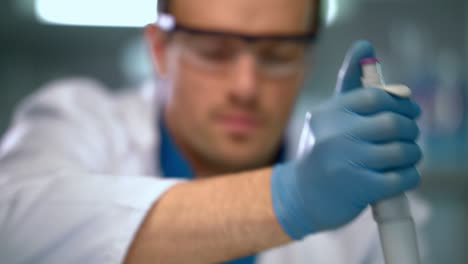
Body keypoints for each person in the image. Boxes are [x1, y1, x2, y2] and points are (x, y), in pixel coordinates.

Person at [0, 0, 429, 263]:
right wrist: (289, 198)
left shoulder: (360, 206)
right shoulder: (78, 122)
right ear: (158, 49)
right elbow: (13, 231)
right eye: (213, 52)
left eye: (278, 55)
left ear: (308, 61)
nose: (245, 87)